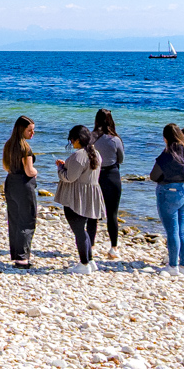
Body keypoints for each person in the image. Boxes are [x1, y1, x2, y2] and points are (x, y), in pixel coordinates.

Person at [53, 124, 105, 274]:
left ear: (77, 139)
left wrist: (60, 168)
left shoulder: (79, 155)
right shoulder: (96, 153)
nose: (71, 143)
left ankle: (84, 263)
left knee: (79, 231)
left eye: (72, 140)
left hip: (76, 197)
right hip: (91, 194)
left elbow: (69, 177)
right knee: (84, 230)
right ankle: (90, 260)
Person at [149, 123, 184, 272]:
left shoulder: (167, 154)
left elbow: (154, 176)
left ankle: (172, 266)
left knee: (172, 232)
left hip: (169, 191)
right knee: (182, 230)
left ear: (165, 138)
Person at [1, 115, 39, 267]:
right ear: (21, 130)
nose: (32, 133)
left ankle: (16, 255)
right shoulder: (25, 148)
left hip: (11, 182)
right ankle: (22, 258)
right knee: (27, 220)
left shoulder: (8, 144)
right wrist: (36, 171)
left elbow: (5, 166)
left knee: (14, 220)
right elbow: (29, 171)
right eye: (30, 130)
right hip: (24, 185)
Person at [91, 109, 124, 258]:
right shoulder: (115, 139)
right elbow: (121, 159)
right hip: (112, 175)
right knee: (112, 213)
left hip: (94, 175)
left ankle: (91, 245)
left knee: (92, 213)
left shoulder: (91, 137)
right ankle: (114, 248)